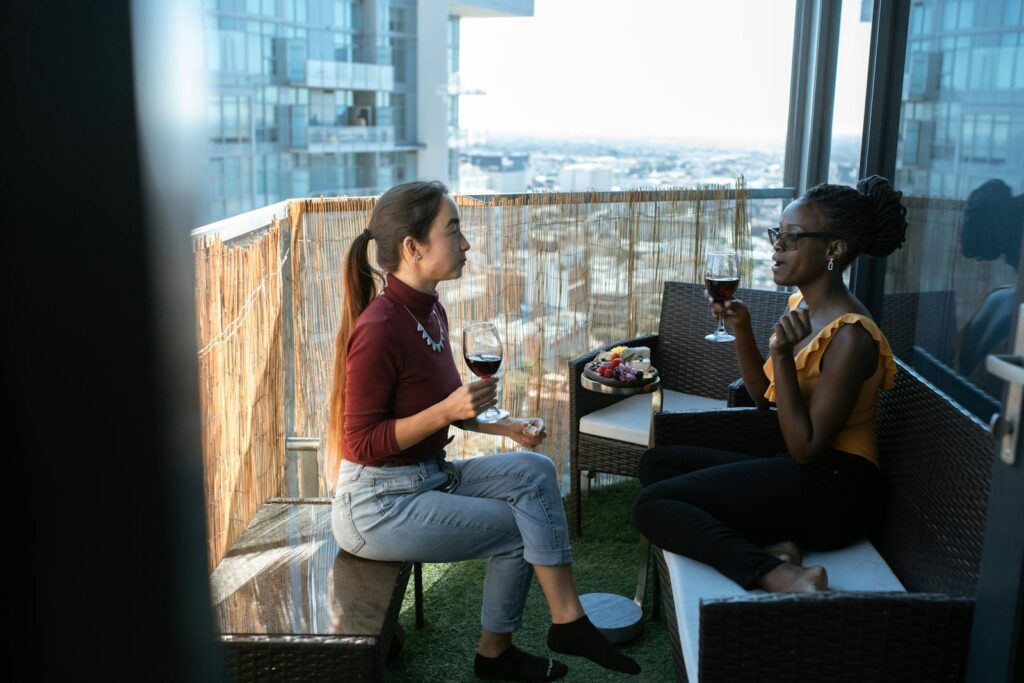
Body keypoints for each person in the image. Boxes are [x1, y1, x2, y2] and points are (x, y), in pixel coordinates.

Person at [327, 180, 640, 681]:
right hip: (377, 505)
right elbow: (361, 444)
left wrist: (509, 426)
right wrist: (447, 409)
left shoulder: (429, 308)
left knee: (535, 471)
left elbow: (445, 408)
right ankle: (496, 656)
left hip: (429, 475)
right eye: (453, 231)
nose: (466, 244)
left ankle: (568, 619)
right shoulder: (380, 328)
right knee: (516, 529)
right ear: (412, 248)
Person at [631, 176, 908, 592]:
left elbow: (806, 447)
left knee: (651, 505)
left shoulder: (851, 335)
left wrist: (780, 354)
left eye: (792, 238)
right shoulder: (803, 305)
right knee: (658, 463)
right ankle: (777, 548)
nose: (777, 246)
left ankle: (785, 575)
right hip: (805, 472)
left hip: (840, 492)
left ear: (833, 250)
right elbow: (763, 398)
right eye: (777, 234)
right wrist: (742, 328)